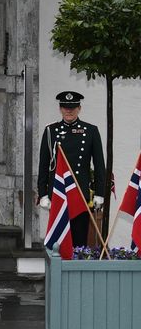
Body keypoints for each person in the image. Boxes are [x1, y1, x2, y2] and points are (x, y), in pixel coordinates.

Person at [37, 90, 105, 246]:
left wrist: (100, 193)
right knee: (59, 240)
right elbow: (44, 164)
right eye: (65, 107)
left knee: (79, 240)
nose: (69, 111)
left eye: (72, 108)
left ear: (79, 109)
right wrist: (43, 194)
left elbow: (100, 165)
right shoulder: (50, 131)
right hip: (58, 192)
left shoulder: (90, 131)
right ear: (60, 109)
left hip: (80, 193)